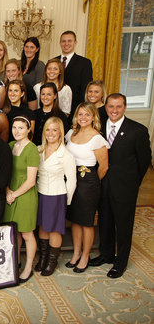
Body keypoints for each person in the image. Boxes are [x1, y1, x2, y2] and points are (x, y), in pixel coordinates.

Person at [91, 94, 151, 278]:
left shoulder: (137, 130)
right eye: (111, 106)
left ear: (124, 107)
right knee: (105, 220)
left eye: (118, 106)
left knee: (123, 225)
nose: (114, 110)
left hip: (125, 187)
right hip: (103, 184)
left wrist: (132, 183)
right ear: (106, 107)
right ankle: (106, 254)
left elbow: (144, 161)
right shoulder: (98, 127)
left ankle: (121, 261)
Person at [65, 103, 109, 273]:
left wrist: (91, 183)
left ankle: (85, 256)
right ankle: (76, 253)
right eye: (80, 114)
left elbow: (103, 167)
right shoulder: (71, 133)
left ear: (93, 117)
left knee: (86, 222)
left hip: (88, 181)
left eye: (87, 115)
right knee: (75, 219)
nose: (83, 118)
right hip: (71, 179)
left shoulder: (97, 138)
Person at [35, 117, 76, 276]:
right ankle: (43, 258)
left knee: (54, 230)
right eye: (47, 129)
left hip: (56, 196)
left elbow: (72, 181)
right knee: (43, 227)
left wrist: (65, 203)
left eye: (54, 130)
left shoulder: (65, 154)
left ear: (60, 133)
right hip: (40, 193)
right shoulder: (39, 150)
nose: (50, 133)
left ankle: (51, 262)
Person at [4, 116, 40, 283]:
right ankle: (16, 261)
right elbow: (5, 172)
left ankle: (28, 267)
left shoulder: (32, 149)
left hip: (25, 195)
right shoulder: (11, 146)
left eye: (20, 128)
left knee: (26, 233)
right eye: (14, 127)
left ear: (28, 130)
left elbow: (31, 180)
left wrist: (14, 194)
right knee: (14, 231)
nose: (16, 131)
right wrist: (7, 191)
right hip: (10, 191)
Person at [56, 31, 93, 119]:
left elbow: (86, 88)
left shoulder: (84, 63)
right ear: (60, 43)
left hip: (75, 108)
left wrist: (81, 110)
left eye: (69, 41)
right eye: (64, 41)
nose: (66, 44)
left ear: (75, 42)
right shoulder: (53, 61)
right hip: (55, 107)